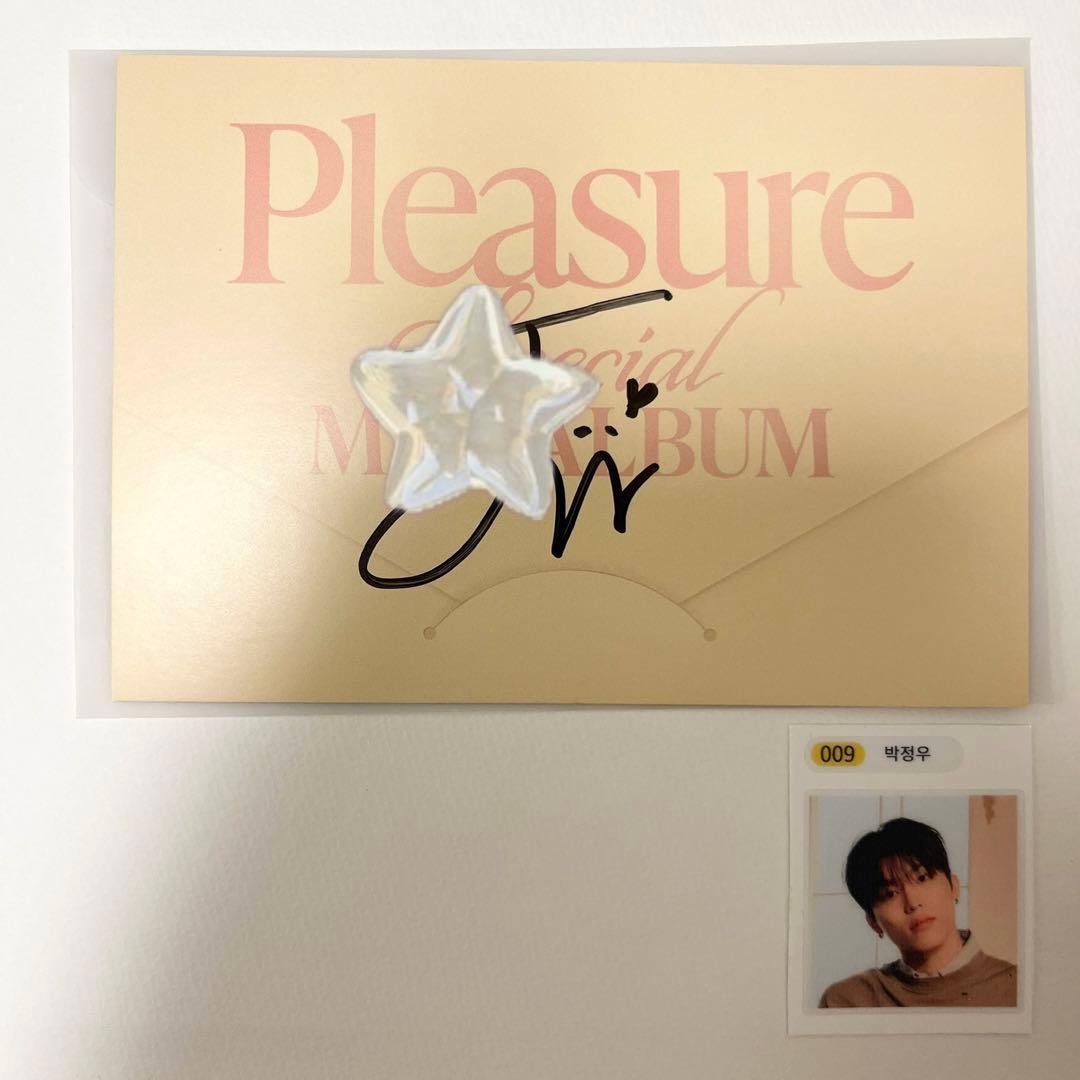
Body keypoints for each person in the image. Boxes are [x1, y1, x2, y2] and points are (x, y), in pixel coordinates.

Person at [819, 816, 1017, 1007]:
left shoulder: (1016, 988)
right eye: (890, 894)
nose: (913, 903)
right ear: (873, 922)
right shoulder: (846, 1001)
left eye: (922, 878)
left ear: (954, 887)